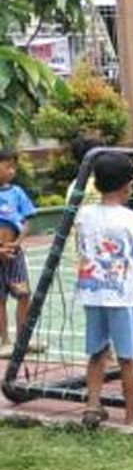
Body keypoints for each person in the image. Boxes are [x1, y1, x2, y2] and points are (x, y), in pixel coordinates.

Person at [77, 152, 133, 427]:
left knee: (97, 352)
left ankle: (92, 405)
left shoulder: (85, 215)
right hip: (121, 297)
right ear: (129, 184)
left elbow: (81, 247)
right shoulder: (132, 219)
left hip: (91, 292)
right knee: (128, 357)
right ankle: (131, 416)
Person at [0, 149, 37, 358]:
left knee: (23, 293)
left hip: (15, 253)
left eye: (13, 166)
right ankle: (4, 340)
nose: (11, 170)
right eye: (7, 166)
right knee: (0, 300)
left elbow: (27, 221)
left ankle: (24, 338)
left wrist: (17, 243)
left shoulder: (17, 192)